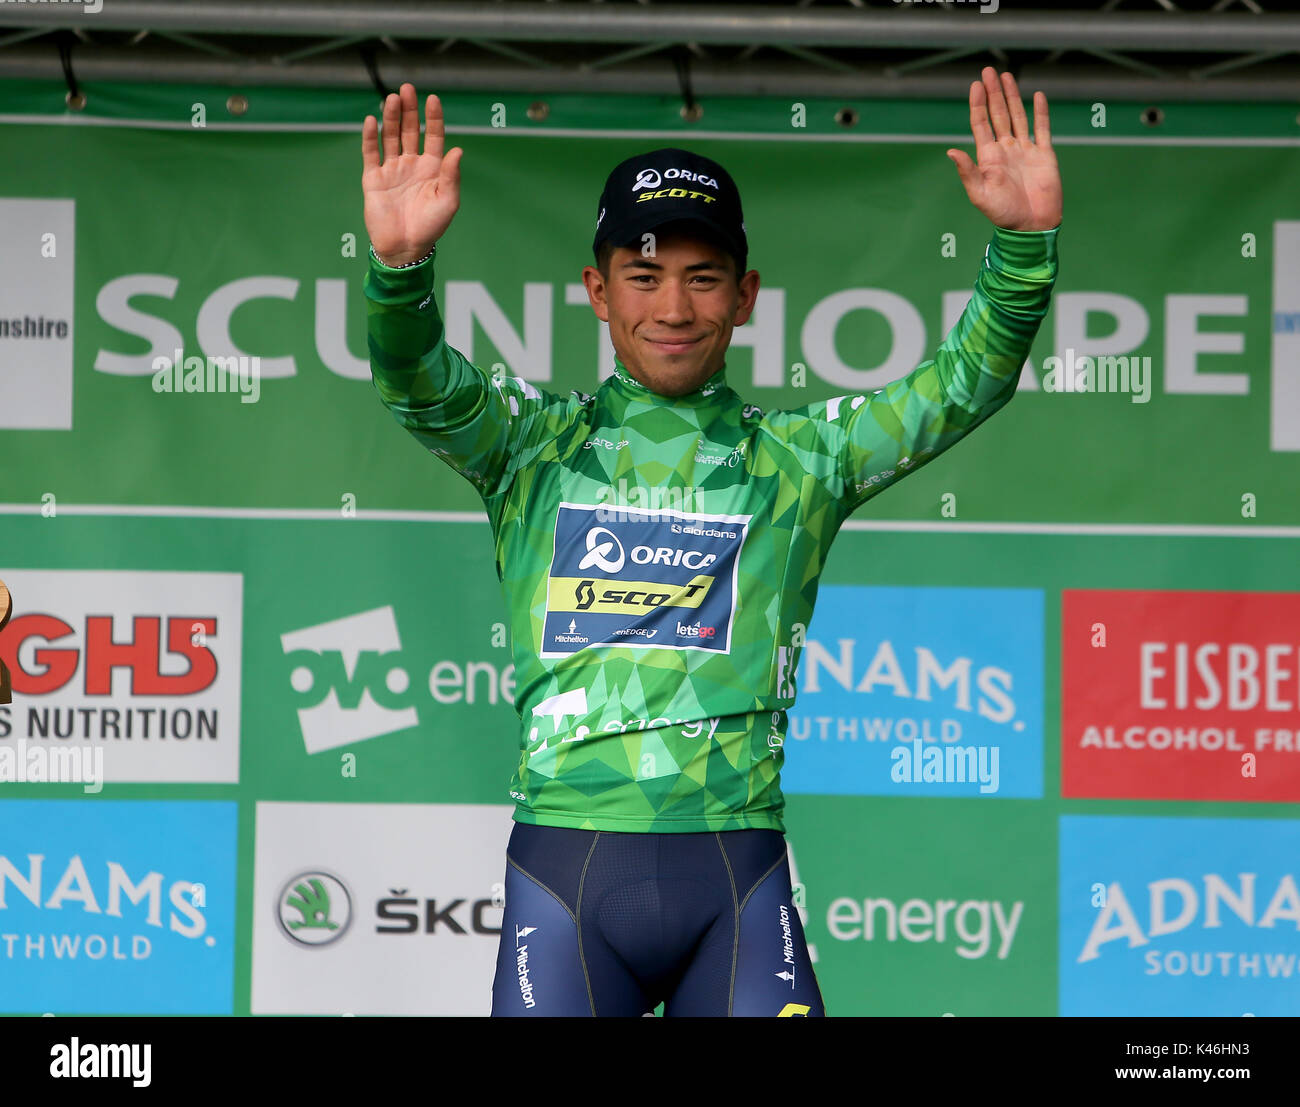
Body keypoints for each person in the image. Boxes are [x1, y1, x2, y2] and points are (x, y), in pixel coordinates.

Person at [361, 68, 1062, 1017]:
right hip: (566, 874)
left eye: (703, 278)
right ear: (597, 292)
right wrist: (400, 273)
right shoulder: (531, 445)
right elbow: (415, 384)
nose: (675, 308)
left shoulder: (802, 459)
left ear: (747, 295)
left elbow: (965, 385)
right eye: (643, 277)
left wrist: (1022, 246)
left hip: (737, 877)